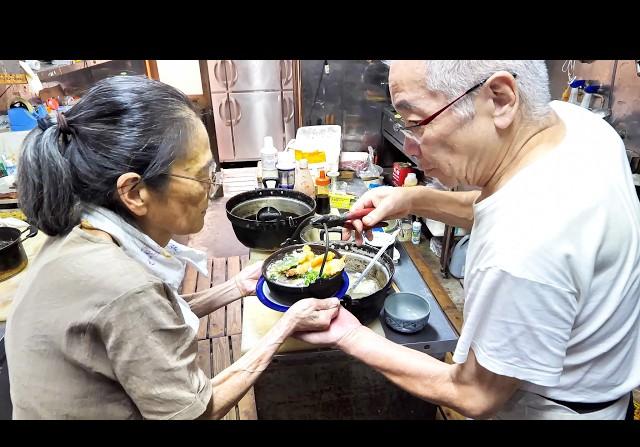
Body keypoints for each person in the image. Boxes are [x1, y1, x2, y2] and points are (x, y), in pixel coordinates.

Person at [296, 60, 640, 419]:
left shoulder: (523, 246)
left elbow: (474, 393)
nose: (412, 147)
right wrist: (411, 199)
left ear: (500, 98)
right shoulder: (577, 126)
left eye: (416, 122)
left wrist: (348, 335)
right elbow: (503, 204)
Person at [6, 75, 339, 420]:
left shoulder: (83, 232)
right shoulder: (124, 285)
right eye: (202, 175)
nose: (211, 188)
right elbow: (196, 412)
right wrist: (287, 326)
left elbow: (157, 314)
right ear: (134, 192)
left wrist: (237, 286)